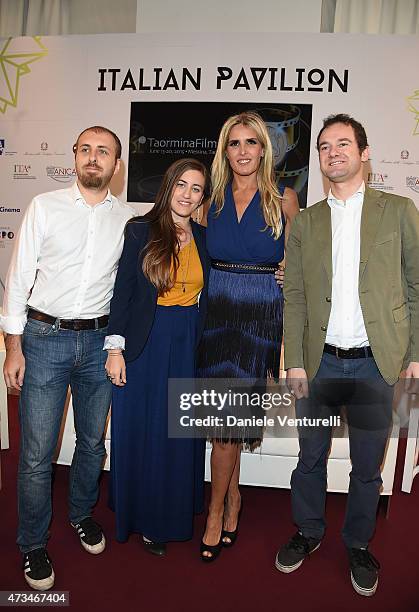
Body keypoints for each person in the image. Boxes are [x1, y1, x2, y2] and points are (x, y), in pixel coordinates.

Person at [276, 114, 419, 596]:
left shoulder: (399, 210)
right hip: (318, 365)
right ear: (318, 159)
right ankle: (308, 530)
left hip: (376, 364)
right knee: (310, 457)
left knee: (366, 466)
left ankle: (358, 542)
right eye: (323, 146)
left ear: (363, 153)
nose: (333, 152)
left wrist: (416, 351)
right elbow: (293, 294)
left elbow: (418, 287)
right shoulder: (308, 221)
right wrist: (293, 359)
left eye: (343, 144)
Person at [1, 126, 133, 591]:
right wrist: (12, 346)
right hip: (43, 337)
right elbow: (18, 279)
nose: (93, 158)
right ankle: (33, 543)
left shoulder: (127, 220)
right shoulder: (44, 206)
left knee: (93, 444)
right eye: (85, 150)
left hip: (99, 344)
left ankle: (80, 514)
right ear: (74, 157)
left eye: (104, 152)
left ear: (117, 166)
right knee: (37, 454)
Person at [197, 111, 299, 561]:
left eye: (251, 142)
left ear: (264, 149)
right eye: (234, 143)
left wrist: (287, 276)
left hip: (260, 314)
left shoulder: (285, 198)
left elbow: (298, 266)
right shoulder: (209, 199)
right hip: (216, 311)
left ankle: (215, 513)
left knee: (227, 425)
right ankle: (233, 498)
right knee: (227, 423)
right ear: (225, 150)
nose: (243, 151)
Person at [104, 158, 210, 556]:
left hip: (187, 344)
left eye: (196, 188)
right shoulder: (139, 230)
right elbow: (123, 293)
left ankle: (170, 515)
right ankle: (140, 515)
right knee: (142, 431)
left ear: (203, 196)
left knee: (176, 433)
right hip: (143, 344)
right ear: (168, 187)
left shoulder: (204, 236)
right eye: (181, 184)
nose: (187, 194)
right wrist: (115, 349)